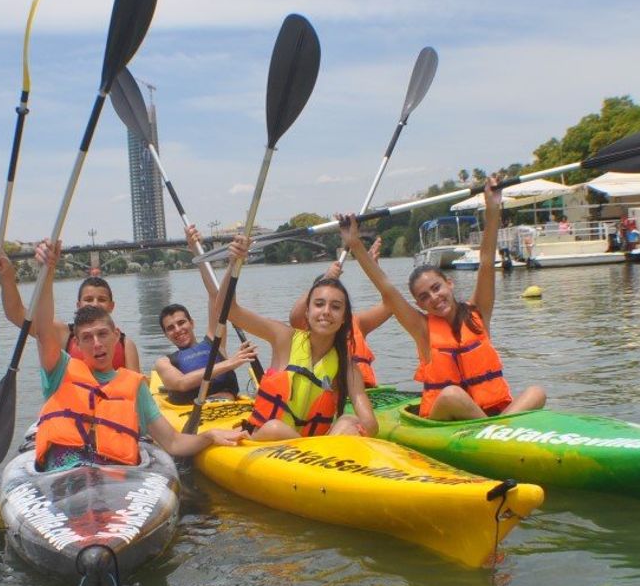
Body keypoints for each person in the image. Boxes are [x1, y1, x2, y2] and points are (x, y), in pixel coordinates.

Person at [341, 176, 546, 421]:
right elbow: (388, 290)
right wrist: (355, 243)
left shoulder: (478, 312)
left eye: (437, 288)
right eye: (424, 297)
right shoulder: (422, 329)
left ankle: (495, 428)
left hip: (491, 415)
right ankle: (495, 430)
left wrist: (492, 209)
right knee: (451, 395)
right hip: (445, 417)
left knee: (537, 392)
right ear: (419, 304)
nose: (434, 298)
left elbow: (486, 262)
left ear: (449, 284)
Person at [28, 240, 240, 470]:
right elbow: (43, 330)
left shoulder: (134, 387)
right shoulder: (59, 370)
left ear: (114, 334)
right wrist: (46, 272)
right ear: (76, 342)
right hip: (64, 480)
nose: (97, 344)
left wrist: (209, 436)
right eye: (87, 338)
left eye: (102, 334)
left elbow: (173, 442)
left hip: (114, 481)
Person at [211, 235, 377, 441]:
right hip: (266, 442)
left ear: (344, 319)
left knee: (349, 421)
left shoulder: (348, 367)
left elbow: (371, 424)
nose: (326, 312)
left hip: (312, 454)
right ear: (306, 312)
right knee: (274, 428)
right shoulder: (284, 338)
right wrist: (234, 263)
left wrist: (355, 430)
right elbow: (227, 311)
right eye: (319, 304)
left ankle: (321, 457)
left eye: (335, 307)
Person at [0, 247, 142, 370]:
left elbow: (136, 391)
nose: (95, 304)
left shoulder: (126, 344)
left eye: (101, 299)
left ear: (111, 306)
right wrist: (7, 273)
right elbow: (15, 312)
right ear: (78, 305)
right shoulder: (61, 334)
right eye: (88, 299)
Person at [281, 232, 392, 389]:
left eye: (334, 304)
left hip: (369, 394)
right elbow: (294, 317)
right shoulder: (305, 326)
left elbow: (391, 305)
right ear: (309, 307)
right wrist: (325, 278)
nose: (326, 311)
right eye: (319, 303)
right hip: (328, 395)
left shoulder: (356, 322)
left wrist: (373, 269)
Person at [152, 301, 257, 405]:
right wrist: (229, 363)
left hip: (231, 408)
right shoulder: (164, 362)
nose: (178, 329)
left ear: (192, 323)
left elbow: (216, 298)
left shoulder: (215, 343)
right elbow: (181, 383)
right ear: (166, 334)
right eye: (171, 328)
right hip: (190, 414)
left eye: (181, 323)